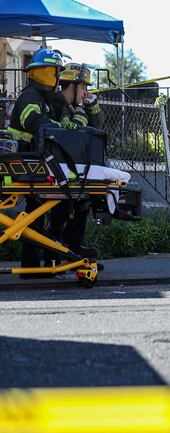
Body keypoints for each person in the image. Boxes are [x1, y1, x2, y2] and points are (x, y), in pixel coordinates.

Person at [6, 48, 65, 274]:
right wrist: (59, 128)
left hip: (32, 164)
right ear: (48, 72)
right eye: (56, 72)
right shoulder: (31, 97)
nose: (58, 77)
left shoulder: (41, 97)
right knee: (34, 218)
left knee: (35, 217)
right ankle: (31, 268)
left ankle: (33, 268)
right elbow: (35, 122)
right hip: (26, 164)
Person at [47, 62, 102, 261]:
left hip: (70, 167)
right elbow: (69, 132)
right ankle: (53, 255)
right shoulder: (57, 105)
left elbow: (96, 128)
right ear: (72, 86)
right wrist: (80, 116)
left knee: (82, 202)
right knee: (60, 211)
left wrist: (91, 105)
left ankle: (74, 247)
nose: (86, 92)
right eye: (83, 87)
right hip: (57, 168)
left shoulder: (72, 106)